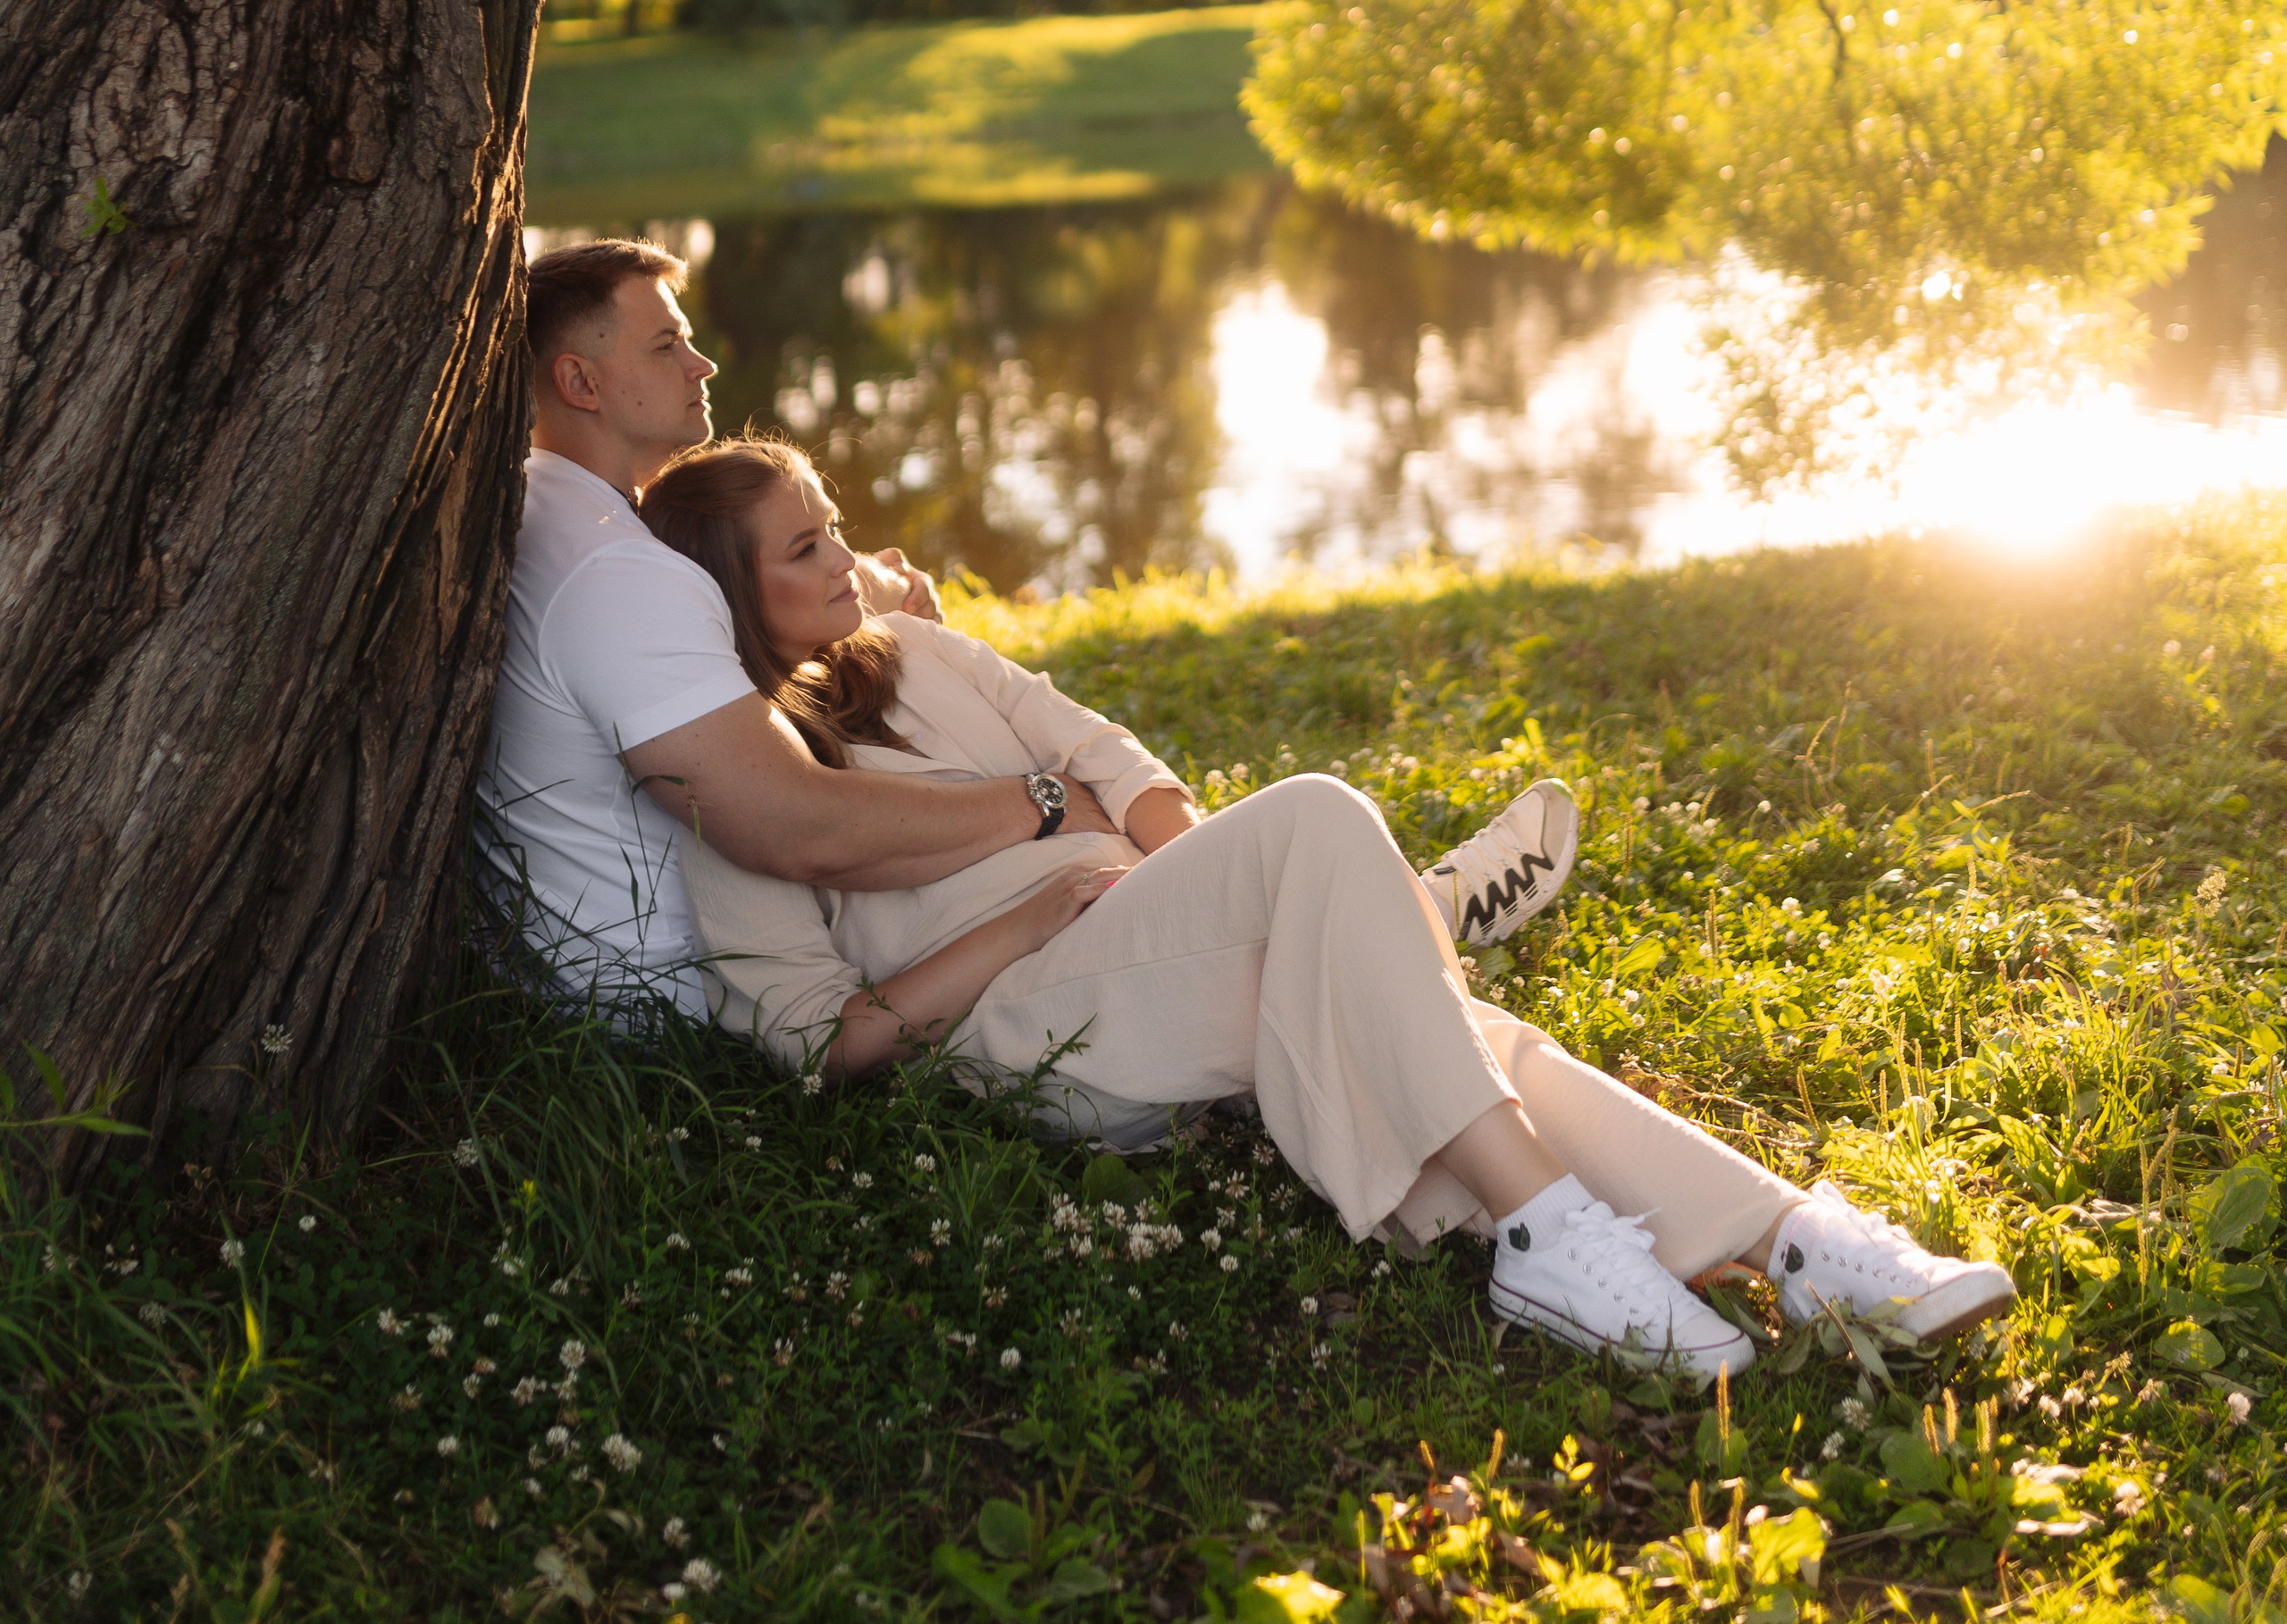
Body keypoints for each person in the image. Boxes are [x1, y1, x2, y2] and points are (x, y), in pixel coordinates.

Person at [636, 431, 2021, 1385]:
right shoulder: (739, 788)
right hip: (1025, 1027)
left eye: (835, 530)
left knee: (1444, 1032)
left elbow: (1112, 756)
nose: (848, 564)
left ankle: (1779, 1242)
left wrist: (1177, 849)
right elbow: (816, 1046)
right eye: (805, 550)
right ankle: (1535, 1173)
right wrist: (1022, 923)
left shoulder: (920, 651)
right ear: (728, 594)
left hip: (1167, 935)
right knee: (1312, 822)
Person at [479, 237, 1575, 1024]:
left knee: (992, 707)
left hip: (707, 927)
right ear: (579, 378)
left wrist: (871, 586)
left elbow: (756, 554)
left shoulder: (571, 516)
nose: (702, 364)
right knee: (1039, 795)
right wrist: (1040, 808)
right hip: (699, 977)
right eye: (668, 344)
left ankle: (1333, 910)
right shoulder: (623, 571)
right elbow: (793, 824)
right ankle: (1405, 914)